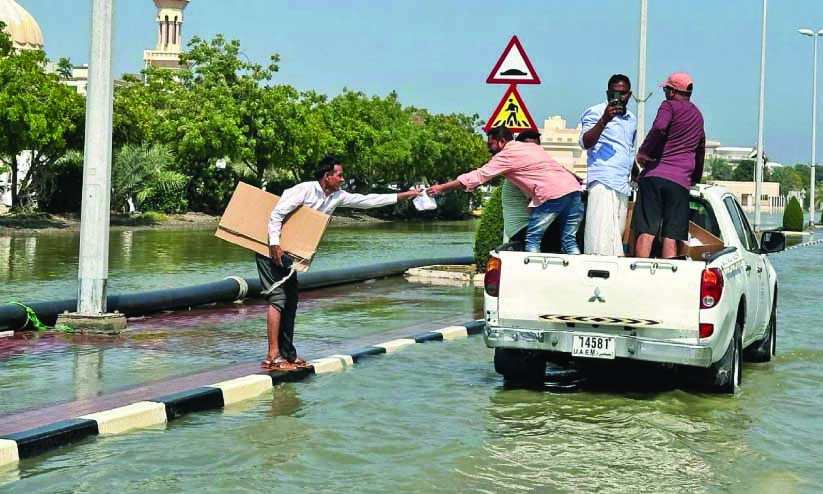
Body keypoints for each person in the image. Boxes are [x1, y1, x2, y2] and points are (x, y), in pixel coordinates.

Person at [258, 155, 421, 370]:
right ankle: (272, 357)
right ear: (327, 176)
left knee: (291, 300)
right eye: (339, 175)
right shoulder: (304, 190)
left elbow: (368, 201)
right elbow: (276, 214)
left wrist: (404, 196)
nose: (343, 179)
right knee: (278, 299)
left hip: (291, 252)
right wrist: (275, 245)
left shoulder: (336, 196)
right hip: (271, 248)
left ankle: (288, 354)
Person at [428, 126, 583, 254]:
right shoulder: (532, 148)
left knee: (533, 239)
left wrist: (441, 188)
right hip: (574, 190)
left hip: (551, 195)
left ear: (502, 141)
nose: (489, 150)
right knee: (569, 241)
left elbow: (477, 177)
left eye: (491, 145)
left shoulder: (506, 155)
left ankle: (531, 273)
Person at [633, 72, 706, 258]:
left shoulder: (668, 106)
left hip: (654, 177)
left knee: (646, 232)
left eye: (666, 89)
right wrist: (694, 179)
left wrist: (644, 151)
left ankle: (640, 277)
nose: (665, 92)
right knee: (671, 236)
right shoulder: (698, 116)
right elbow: (700, 150)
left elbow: (659, 127)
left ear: (673, 91)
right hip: (680, 182)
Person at [579, 74, 637, 256]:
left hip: (622, 183)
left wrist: (635, 171)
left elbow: (628, 149)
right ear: (608, 93)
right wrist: (604, 120)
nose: (619, 97)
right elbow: (585, 142)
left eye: (623, 93)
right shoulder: (595, 112)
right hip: (603, 180)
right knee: (601, 237)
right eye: (615, 93)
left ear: (630, 94)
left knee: (615, 237)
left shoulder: (631, 119)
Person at [501, 130, 542, 242]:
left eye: (536, 149)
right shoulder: (521, 172)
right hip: (522, 228)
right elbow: (541, 200)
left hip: (529, 226)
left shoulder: (534, 169)